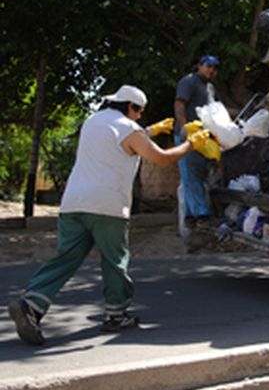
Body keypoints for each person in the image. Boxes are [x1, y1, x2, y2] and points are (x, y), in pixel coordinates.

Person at [7, 85, 212, 346]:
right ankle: (116, 314)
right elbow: (160, 159)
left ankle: (31, 305)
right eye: (139, 112)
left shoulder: (93, 121)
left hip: (73, 204)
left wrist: (151, 130)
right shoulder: (131, 129)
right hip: (108, 206)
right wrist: (190, 145)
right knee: (115, 261)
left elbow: (117, 142)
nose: (139, 117)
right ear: (131, 108)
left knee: (66, 258)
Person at [174, 54, 220, 228]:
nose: (211, 70)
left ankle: (190, 216)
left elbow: (218, 109)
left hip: (202, 138)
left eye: (214, 68)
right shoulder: (189, 82)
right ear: (199, 66)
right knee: (191, 173)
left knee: (194, 175)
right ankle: (202, 215)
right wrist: (184, 127)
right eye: (208, 66)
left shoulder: (209, 87)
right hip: (188, 135)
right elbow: (179, 104)